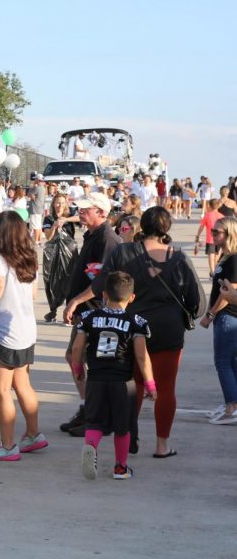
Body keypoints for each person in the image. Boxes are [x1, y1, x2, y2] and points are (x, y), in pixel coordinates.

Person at [70, 207, 204, 457]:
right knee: (166, 388)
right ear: (167, 228)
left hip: (130, 327)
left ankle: (129, 436)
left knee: (133, 386)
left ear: (142, 225)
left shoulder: (123, 251)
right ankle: (162, 445)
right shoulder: (179, 257)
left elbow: (100, 285)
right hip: (168, 330)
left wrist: (80, 301)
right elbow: (196, 301)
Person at [71, 271, 156, 480]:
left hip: (96, 379)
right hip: (122, 381)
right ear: (132, 297)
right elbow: (141, 356)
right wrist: (150, 384)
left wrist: (78, 369)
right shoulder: (136, 321)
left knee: (94, 421)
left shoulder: (89, 318)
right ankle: (120, 467)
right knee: (122, 426)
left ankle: (91, 446)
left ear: (104, 295)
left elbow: (77, 348)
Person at [0, 211, 47, 461]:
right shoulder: (28, 258)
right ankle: (33, 434)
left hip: (3, 330)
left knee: (2, 390)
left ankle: (7, 446)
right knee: (23, 384)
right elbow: (35, 295)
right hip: (26, 328)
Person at [61, 193, 121, 437]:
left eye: (88, 209)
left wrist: (76, 300)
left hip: (96, 312)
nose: (82, 211)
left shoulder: (107, 239)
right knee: (73, 357)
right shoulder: (92, 235)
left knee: (93, 363)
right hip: (87, 312)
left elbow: (104, 280)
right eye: (82, 208)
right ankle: (87, 406)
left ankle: (96, 414)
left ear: (102, 213)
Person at [199, 217, 237, 425]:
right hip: (227, 317)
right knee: (230, 362)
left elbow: (228, 293)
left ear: (229, 233)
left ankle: (231, 408)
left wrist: (210, 314)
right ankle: (231, 403)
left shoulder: (234, 259)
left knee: (223, 362)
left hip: (228, 316)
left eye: (217, 231)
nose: (213, 234)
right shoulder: (226, 256)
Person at [41, 194, 79, 323]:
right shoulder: (48, 218)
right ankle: (53, 310)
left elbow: (82, 218)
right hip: (53, 254)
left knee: (71, 280)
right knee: (52, 281)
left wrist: (66, 220)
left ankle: (69, 313)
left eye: (62, 203)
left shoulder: (71, 215)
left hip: (69, 253)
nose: (60, 206)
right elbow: (48, 237)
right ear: (53, 204)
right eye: (57, 203)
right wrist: (54, 226)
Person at [195, 199, 224, 277]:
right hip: (220, 239)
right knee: (217, 256)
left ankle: (212, 272)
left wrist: (198, 235)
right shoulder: (222, 216)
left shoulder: (207, 215)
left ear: (210, 206)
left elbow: (201, 226)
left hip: (210, 239)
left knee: (211, 255)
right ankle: (214, 269)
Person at [28, 174, 47, 244]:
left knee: (35, 226)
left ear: (38, 180)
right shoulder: (43, 188)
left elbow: (29, 195)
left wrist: (31, 188)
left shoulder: (37, 188)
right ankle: (38, 240)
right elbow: (32, 196)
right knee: (38, 226)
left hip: (35, 209)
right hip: (40, 209)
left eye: (35, 179)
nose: (34, 180)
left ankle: (36, 241)